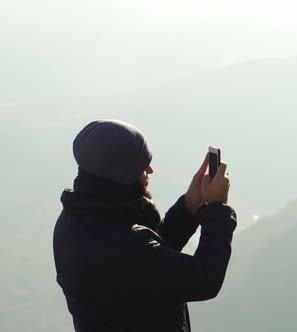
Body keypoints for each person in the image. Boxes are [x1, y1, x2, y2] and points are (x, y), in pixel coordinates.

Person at [53, 120, 237, 332]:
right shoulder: (120, 244)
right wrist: (217, 207)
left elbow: (151, 262)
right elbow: (205, 279)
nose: (150, 169)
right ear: (123, 174)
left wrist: (190, 205)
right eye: (141, 165)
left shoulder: (78, 219)